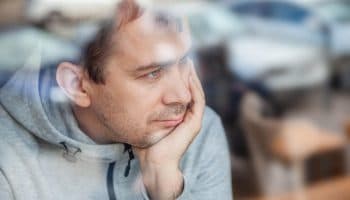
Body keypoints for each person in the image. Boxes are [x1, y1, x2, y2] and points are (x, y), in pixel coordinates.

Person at [0, 0, 233, 199]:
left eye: (183, 60)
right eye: (153, 73)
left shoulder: (196, 130)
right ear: (77, 85)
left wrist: (165, 183)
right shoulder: (8, 159)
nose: (183, 96)